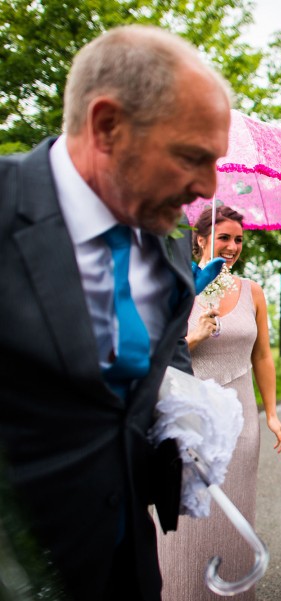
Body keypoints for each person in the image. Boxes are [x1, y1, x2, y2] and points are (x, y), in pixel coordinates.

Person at [0, 25, 232, 601]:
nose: (205, 187)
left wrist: (175, 425)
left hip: (128, 567)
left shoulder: (164, 243)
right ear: (106, 126)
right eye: (190, 157)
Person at [156, 205, 281, 600]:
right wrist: (193, 336)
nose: (232, 247)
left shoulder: (252, 291)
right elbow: (153, 354)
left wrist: (271, 414)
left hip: (242, 421)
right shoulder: (173, 285)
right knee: (186, 520)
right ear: (200, 238)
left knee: (235, 515)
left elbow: (262, 356)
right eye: (224, 237)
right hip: (188, 417)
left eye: (238, 240)